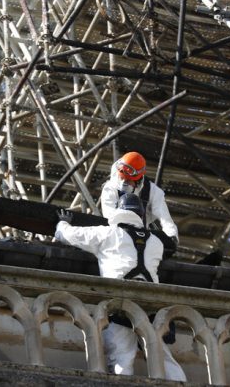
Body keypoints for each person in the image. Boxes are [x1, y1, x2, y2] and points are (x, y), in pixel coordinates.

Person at [55, 194, 186, 380]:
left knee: (122, 358)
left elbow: (66, 235)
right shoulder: (156, 242)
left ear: (119, 211)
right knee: (162, 357)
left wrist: (63, 223)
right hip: (151, 307)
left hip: (120, 304)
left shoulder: (108, 234)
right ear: (141, 215)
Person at [100, 151, 178, 241]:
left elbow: (165, 218)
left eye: (128, 180)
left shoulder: (152, 191)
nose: (123, 183)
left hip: (141, 237)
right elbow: (109, 215)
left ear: (138, 180)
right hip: (117, 236)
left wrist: (172, 236)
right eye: (122, 178)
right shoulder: (110, 187)